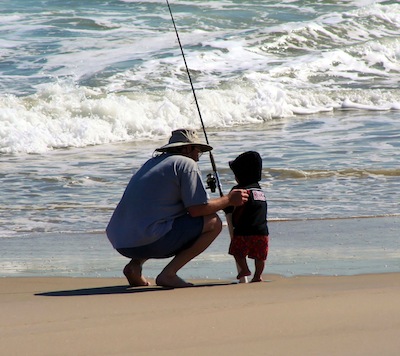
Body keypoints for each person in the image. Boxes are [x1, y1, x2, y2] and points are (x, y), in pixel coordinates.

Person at [106, 129, 249, 288]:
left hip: (121, 241)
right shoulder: (186, 163)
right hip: (149, 240)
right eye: (198, 151)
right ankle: (169, 274)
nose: (198, 157)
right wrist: (229, 200)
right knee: (214, 222)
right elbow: (197, 209)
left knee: (158, 218)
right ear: (186, 149)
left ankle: (134, 266)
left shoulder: (151, 164)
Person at [225, 151, 269, 282]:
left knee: (237, 252)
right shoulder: (260, 191)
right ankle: (258, 276)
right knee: (260, 256)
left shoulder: (239, 191)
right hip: (262, 233)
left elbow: (229, 205)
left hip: (243, 232)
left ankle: (244, 269)